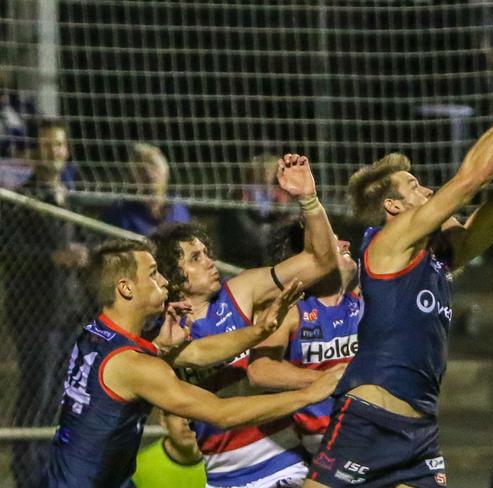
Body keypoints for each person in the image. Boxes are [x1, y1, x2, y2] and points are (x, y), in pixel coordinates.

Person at [304, 33, 493, 487]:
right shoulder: (388, 244)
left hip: (419, 433)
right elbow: (472, 178)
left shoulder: (443, 256)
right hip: (370, 419)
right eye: (414, 187)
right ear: (393, 208)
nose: (427, 191)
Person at [44, 238, 341, 487]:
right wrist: (310, 393)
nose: (163, 280)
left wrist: (259, 331)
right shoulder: (133, 365)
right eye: (152, 274)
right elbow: (220, 412)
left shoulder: (96, 334)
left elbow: (198, 353)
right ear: (126, 288)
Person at [149, 154, 341, 487]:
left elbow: (321, 261)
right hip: (223, 477)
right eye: (196, 258)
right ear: (173, 277)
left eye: (207, 253)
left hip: (286, 465)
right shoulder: (161, 330)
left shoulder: (240, 292)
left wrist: (309, 199)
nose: (211, 262)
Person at [1, 116, 89, 488]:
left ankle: (49, 469)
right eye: (48, 146)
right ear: (35, 152)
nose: (55, 153)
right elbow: (10, 250)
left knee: (58, 395)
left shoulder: (73, 196)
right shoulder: (21, 199)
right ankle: (27, 473)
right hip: (37, 312)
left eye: (60, 146)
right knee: (35, 394)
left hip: (70, 311)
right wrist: (52, 257)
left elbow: (86, 240)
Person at [248, 222, 362, 456]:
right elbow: (260, 371)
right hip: (323, 437)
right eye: (334, 242)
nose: (345, 244)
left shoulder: (365, 299)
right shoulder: (293, 311)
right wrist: (326, 380)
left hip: (375, 427)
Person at [101, 142, 190, 236]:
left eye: (154, 166)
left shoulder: (178, 206)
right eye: (142, 169)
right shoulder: (119, 212)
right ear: (132, 177)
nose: (150, 174)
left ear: (166, 172)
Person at [131, 410, 206, 488]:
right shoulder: (137, 469)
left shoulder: (219, 466)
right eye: (177, 414)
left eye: (196, 414)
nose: (186, 422)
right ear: (163, 419)